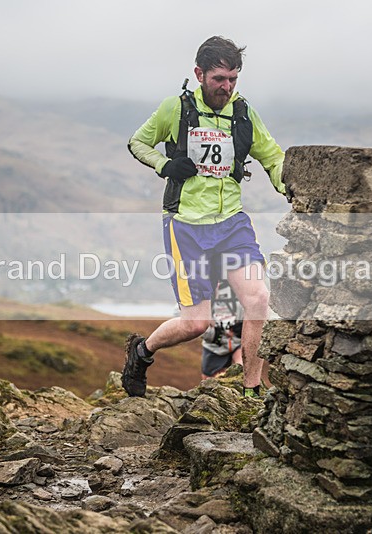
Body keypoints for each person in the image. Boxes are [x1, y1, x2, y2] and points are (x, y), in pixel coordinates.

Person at [123, 35, 286, 398]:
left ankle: (252, 390)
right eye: (219, 79)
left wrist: (288, 188)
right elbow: (138, 142)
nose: (226, 87)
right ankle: (141, 352)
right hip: (186, 226)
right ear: (199, 74)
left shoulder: (243, 113)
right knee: (196, 323)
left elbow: (272, 157)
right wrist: (165, 165)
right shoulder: (175, 109)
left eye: (233, 79)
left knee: (258, 299)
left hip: (231, 224)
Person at [201, 280, 244, 379]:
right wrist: (212, 334)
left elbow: (257, 303)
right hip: (214, 346)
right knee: (208, 381)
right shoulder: (201, 280)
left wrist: (243, 326)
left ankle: (250, 393)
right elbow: (183, 314)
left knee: (244, 371)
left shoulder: (241, 277)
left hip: (239, 341)